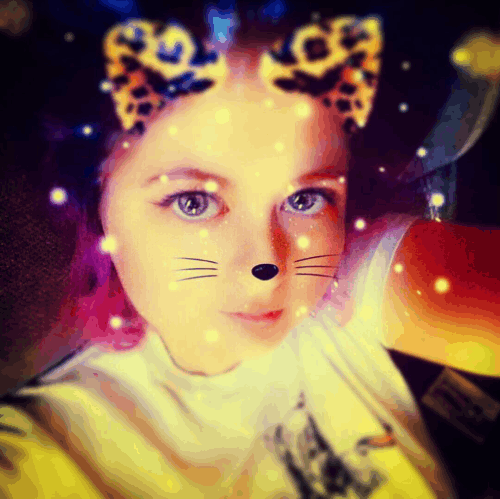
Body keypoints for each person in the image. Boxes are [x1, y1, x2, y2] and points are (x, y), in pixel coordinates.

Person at [0, 12, 498, 499]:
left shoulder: (349, 271)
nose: (267, 267)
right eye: (194, 202)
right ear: (98, 202)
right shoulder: (41, 453)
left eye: (305, 199)